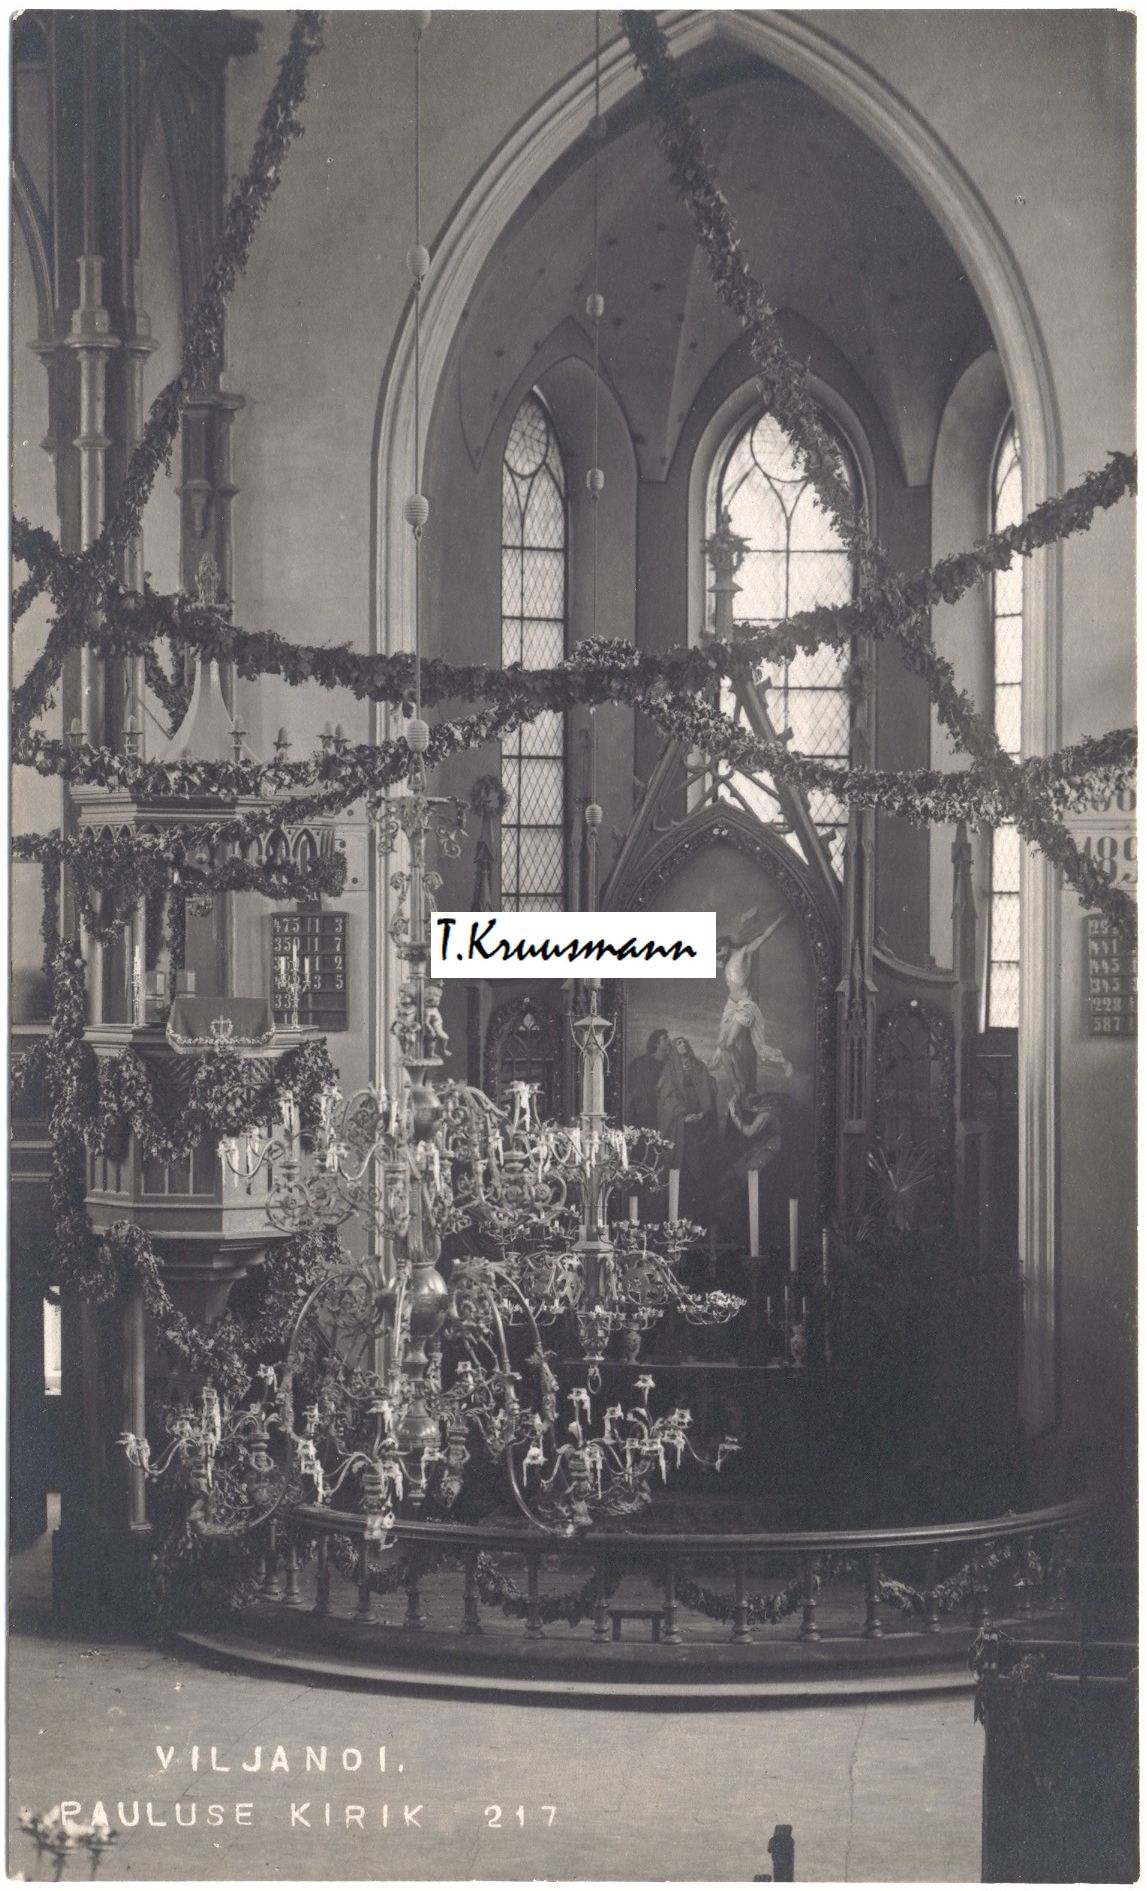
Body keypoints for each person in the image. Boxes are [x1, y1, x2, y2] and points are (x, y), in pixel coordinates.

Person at [711, 911, 793, 1106]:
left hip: (745, 1006)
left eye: (719, 951)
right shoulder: (724, 962)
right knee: (722, 1045)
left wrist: (780, 920)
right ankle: (738, 1086)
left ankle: (744, 1082)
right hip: (730, 1006)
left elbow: (764, 936)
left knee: (729, 1044)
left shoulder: (744, 953)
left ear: (726, 946)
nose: (719, 955)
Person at [627, 1028, 669, 1129]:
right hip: (646, 1110)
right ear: (656, 1043)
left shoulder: (671, 1063)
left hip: (666, 1110)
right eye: (664, 1039)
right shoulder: (641, 1063)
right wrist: (658, 1086)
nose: (669, 1041)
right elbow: (635, 1090)